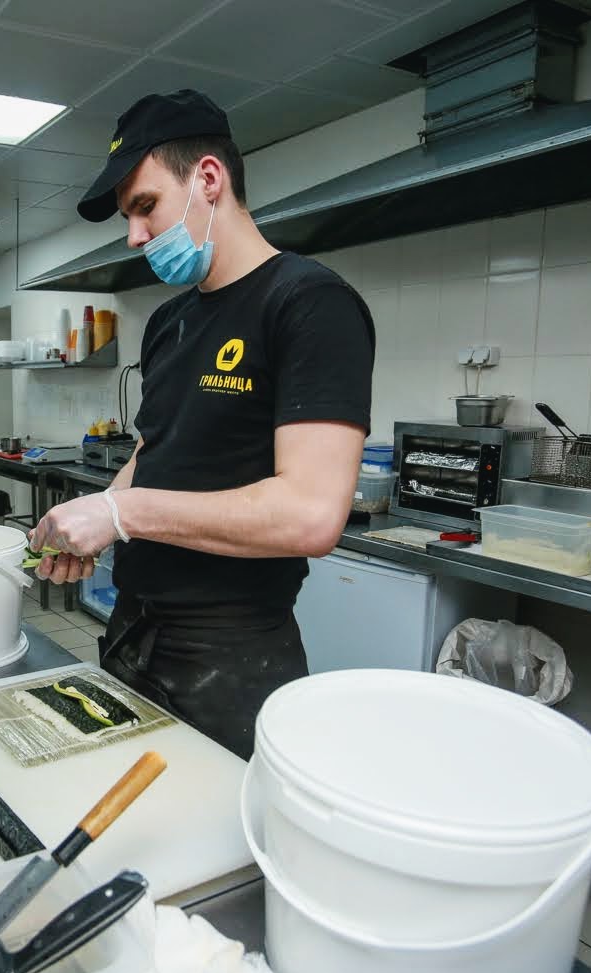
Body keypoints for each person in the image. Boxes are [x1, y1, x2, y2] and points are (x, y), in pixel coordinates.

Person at [27, 90, 376, 759]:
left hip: (232, 657)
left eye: (146, 206)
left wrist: (123, 515)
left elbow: (311, 516)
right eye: (129, 217)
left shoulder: (309, 302)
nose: (134, 236)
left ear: (208, 179)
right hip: (134, 630)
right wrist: (95, 515)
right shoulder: (169, 322)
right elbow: (152, 451)